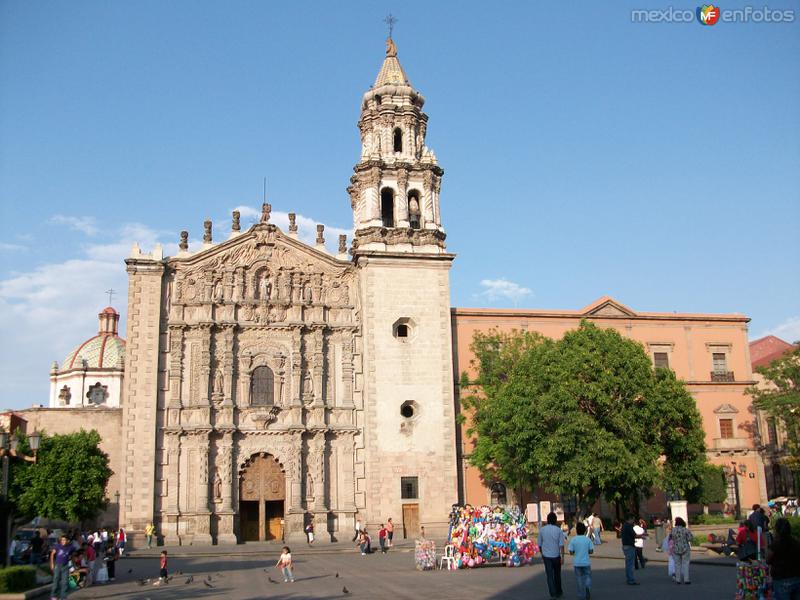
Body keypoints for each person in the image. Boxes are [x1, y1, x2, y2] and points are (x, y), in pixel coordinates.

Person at [767, 518, 800, 600]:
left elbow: (768, 559)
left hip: (781, 579)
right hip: (796, 577)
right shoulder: (796, 541)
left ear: (777, 530)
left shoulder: (776, 543)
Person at [538, 511, 565, 600]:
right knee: (557, 575)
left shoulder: (542, 530)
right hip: (556, 555)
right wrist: (562, 556)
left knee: (549, 575)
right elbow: (561, 545)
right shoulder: (558, 530)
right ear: (555, 520)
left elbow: (539, 544)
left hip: (546, 556)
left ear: (547, 520)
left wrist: (542, 554)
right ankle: (559, 591)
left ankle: (552, 593)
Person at [568, 522, 594, 600]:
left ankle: (581, 595)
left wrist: (575, 551)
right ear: (584, 530)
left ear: (576, 530)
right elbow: (591, 551)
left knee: (579, 578)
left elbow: (571, 552)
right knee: (587, 576)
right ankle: (587, 588)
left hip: (577, 562)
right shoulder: (587, 539)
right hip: (586, 562)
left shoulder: (573, 540)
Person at [50, 534, 77, 600]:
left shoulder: (71, 547)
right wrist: (52, 564)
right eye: (62, 540)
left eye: (64, 540)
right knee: (56, 581)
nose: (63, 541)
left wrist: (74, 565)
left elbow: (72, 556)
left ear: (68, 541)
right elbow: (52, 555)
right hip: (58, 565)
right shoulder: (57, 546)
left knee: (65, 582)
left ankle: (63, 597)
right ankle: (54, 596)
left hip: (65, 566)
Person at [620, 515, 641, 585]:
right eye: (633, 520)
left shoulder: (624, 525)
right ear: (630, 519)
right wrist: (642, 536)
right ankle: (631, 579)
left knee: (628, 563)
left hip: (625, 545)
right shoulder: (629, 526)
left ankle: (629, 578)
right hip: (629, 546)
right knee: (630, 564)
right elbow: (634, 535)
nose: (633, 521)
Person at [670, 517, 692, 585]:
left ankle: (678, 580)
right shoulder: (685, 530)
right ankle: (686, 579)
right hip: (685, 548)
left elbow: (671, 538)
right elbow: (690, 538)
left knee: (677, 564)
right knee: (686, 564)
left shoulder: (673, 530)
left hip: (675, 548)